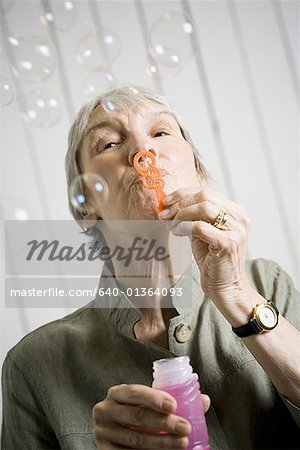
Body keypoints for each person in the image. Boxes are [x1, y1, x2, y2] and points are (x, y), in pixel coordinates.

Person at [1, 86, 300, 450]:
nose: (143, 151)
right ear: (86, 206)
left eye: (160, 132)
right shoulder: (33, 366)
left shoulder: (267, 285)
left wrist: (236, 294)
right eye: (109, 143)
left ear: (198, 174)